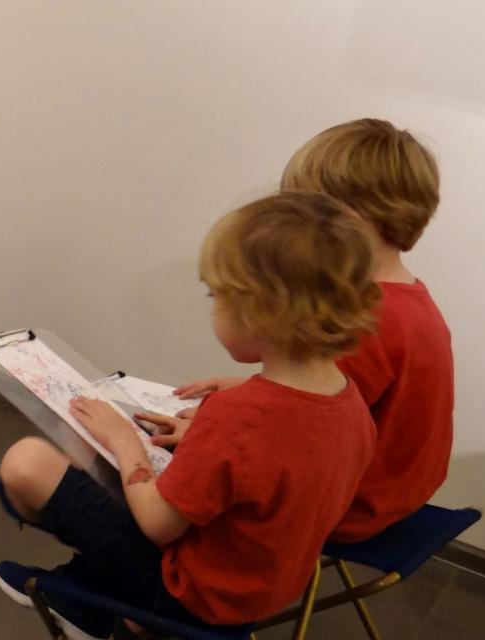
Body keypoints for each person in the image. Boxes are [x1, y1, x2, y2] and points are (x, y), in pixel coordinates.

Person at [0, 192, 379, 638]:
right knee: (83, 468)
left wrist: (125, 441)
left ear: (260, 312)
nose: (212, 309)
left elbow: (158, 525)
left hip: (190, 599)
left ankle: (94, 603)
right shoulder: (352, 405)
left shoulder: (238, 415)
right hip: (267, 589)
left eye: (216, 297)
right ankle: (89, 594)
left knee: (26, 464)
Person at [173, 119, 451, 542]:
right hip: (398, 493)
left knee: (175, 488)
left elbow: (303, 439)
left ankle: (104, 601)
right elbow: (330, 396)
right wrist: (240, 388)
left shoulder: (368, 319)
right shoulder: (407, 298)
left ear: (341, 220)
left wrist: (203, 442)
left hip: (351, 506)